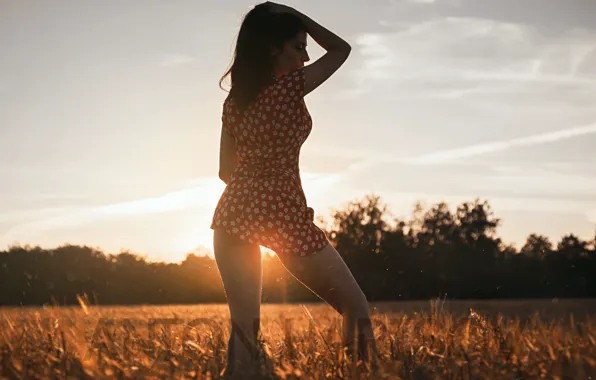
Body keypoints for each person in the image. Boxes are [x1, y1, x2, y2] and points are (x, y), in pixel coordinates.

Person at [210, 2, 378, 377]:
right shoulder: (288, 88)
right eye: (298, 45)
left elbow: (224, 171)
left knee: (244, 333)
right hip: (284, 215)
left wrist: (255, 187)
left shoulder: (233, 101)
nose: (305, 56)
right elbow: (340, 50)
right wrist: (296, 13)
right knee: (356, 307)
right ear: (274, 49)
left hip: (232, 212)